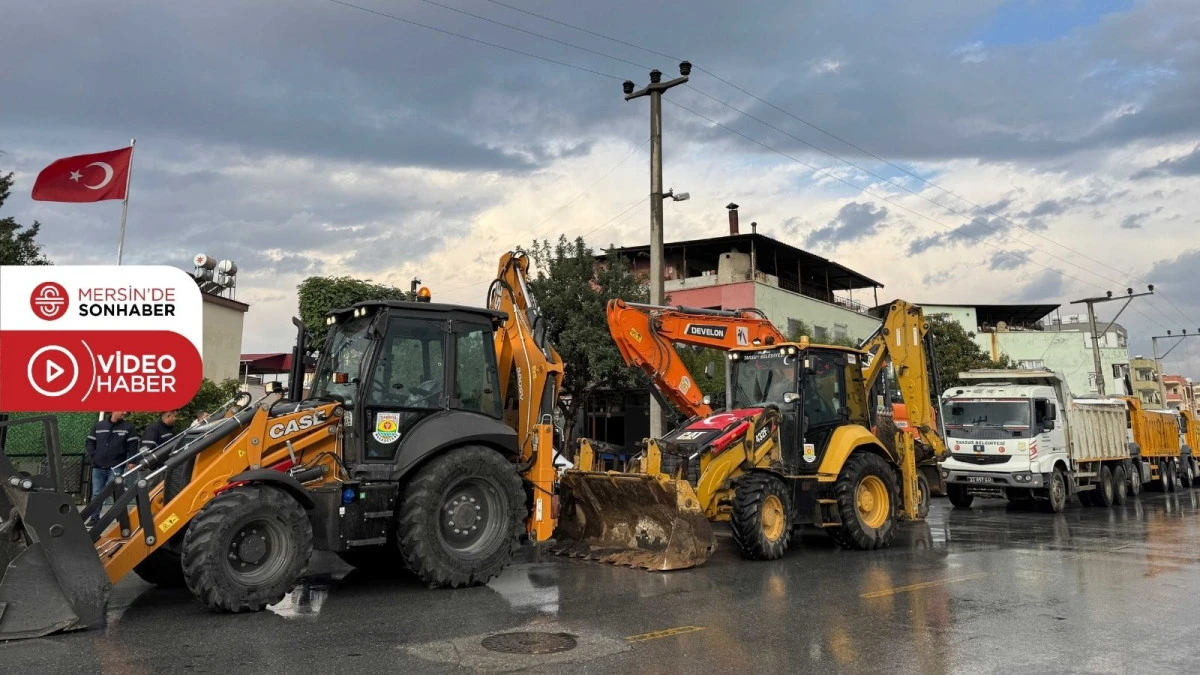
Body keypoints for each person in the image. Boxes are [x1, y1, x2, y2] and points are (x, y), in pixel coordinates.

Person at [85, 412, 138, 523]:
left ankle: (120, 517)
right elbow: (90, 442)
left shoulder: (128, 427)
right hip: (98, 466)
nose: (125, 412)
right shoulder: (98, 426)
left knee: (114, 491)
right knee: (96, 493)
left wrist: (132, 461)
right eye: (122, 409)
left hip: (116, 466)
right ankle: (94, 518)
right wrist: (94, 455)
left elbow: (133, 445)